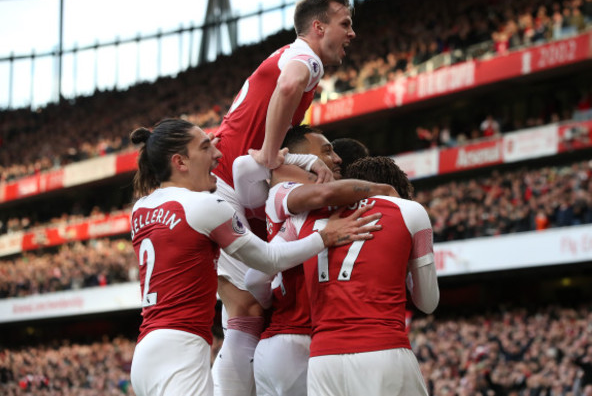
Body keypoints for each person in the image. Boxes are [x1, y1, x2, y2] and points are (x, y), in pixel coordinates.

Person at [127, 118, 380, 396]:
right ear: (180, 162)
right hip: (180, 352)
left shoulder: (141, 208)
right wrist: (325, 237)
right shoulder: (205, 206)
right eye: (205, 147)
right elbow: (269, 261)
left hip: (146, 350)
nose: (218, 154)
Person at [211, 0, 356, 396]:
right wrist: (273, 153)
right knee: (247, 309)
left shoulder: (296, 57)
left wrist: (295, 162)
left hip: (238, 180)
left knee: (255, 305)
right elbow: (288, 87)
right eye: (345, 23)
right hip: (227, 183)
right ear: (318, 27)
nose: (352, 33)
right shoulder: (305, 59)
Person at [236, 125, 396, 396]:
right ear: (303, 158)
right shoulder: (284, 191)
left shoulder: (303, 216)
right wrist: (385, 190)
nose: (336, 159)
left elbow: (255, 278)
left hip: (280, 343)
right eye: (326, 151)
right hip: (300, 340)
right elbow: (326, 193)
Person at [272, 156, 440, 396]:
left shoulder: (303, 217)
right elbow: (428, 301)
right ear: (398, 189)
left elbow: (261, 270)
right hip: (384, 349)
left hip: (322, 359)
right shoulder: (410, 210)